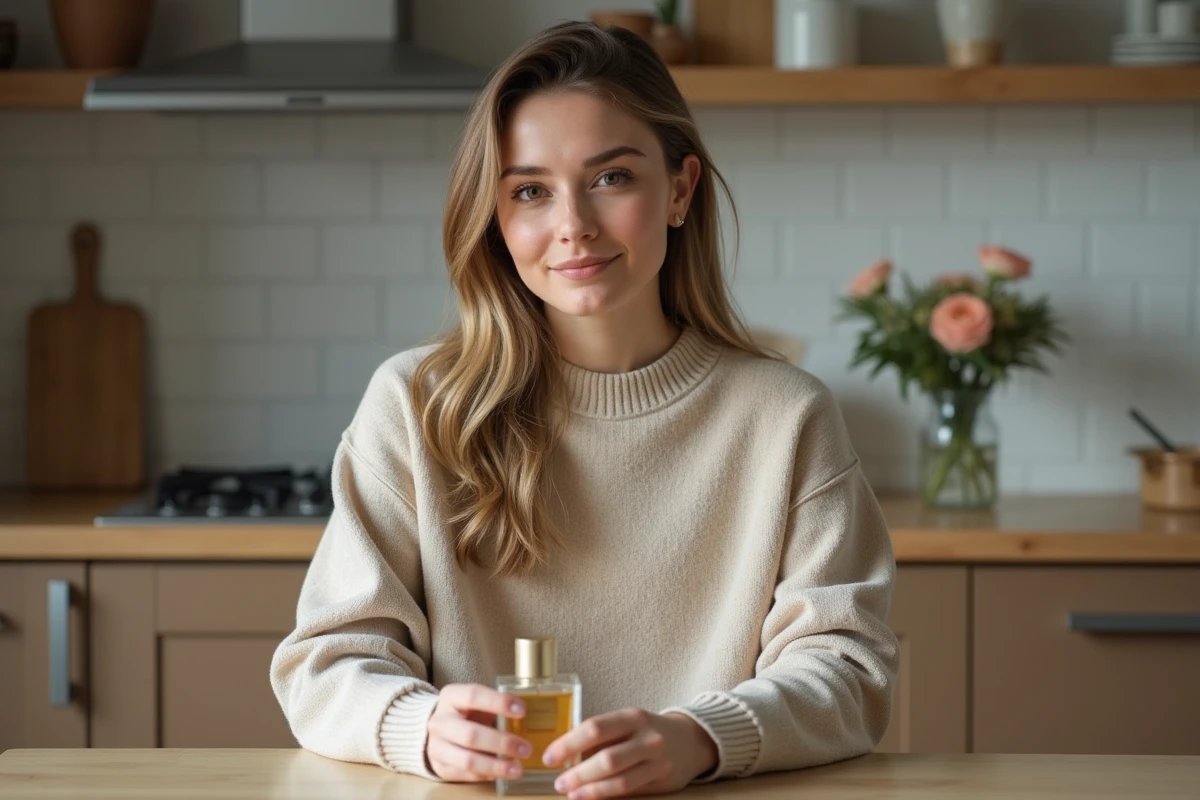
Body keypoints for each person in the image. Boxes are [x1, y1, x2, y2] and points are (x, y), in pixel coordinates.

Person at [270, 19, 898, 800]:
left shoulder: (787, 417)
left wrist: (702, 738)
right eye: (530, 191)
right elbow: (325, 664)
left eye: (611, 178)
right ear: (497, 222)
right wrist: (420, 728)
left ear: (680, 189)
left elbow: (849, 672)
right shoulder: (414, 406)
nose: (573, 224)